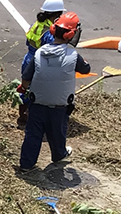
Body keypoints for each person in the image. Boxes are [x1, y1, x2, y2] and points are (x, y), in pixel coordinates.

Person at [18, 12, 90, 173]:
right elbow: (86, 69)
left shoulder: (39, 53)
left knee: (33, 135)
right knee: (58, 132)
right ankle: (59, 154)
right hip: (60, 106)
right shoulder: (73, 56)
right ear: (71, 35)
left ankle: (26, 165)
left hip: (37, 103)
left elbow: (26, 79)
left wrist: (24, 88)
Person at [15, 0, 65, 128]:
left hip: (28, 59)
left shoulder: (36, 25)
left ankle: (22, 118)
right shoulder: (50, 32)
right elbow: (51, 51)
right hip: (39, 63)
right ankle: (33, 120)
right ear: (57, 16)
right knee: (38, 91)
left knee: (25, 88)